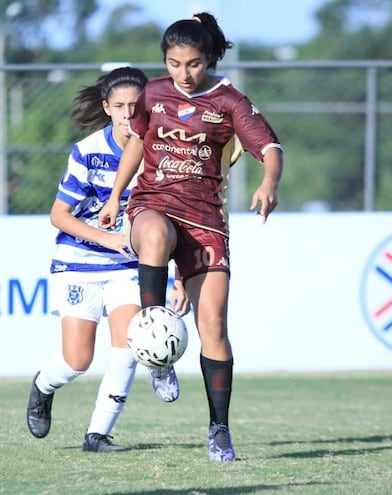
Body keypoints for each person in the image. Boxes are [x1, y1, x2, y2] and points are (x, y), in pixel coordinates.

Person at [99, 13, 284, 461]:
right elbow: (139, 143)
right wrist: (115, 195)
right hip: (152, 202)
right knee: (155, 235)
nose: (183, 74)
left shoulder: (230, 100)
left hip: (205, 218)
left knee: (214, 326)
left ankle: (219, 429)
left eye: (194, 64)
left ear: (208, 59)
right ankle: (152, 341)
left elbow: (271, 148)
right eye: (174, 63)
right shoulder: (154, 93)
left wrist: (269, 183)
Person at [26, 67, 189, 453]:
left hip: (126, 266)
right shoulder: (87, 151)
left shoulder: (163, 152)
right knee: (77, 360)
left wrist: (181, 276)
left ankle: (97, 434)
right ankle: (42, 386)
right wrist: (107, 238)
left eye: (136, 106)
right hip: (78, 261)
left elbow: (178, 219)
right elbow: (59, 215)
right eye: (120, 107)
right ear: (107, 107)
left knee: (129, 344)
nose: (128, 114)